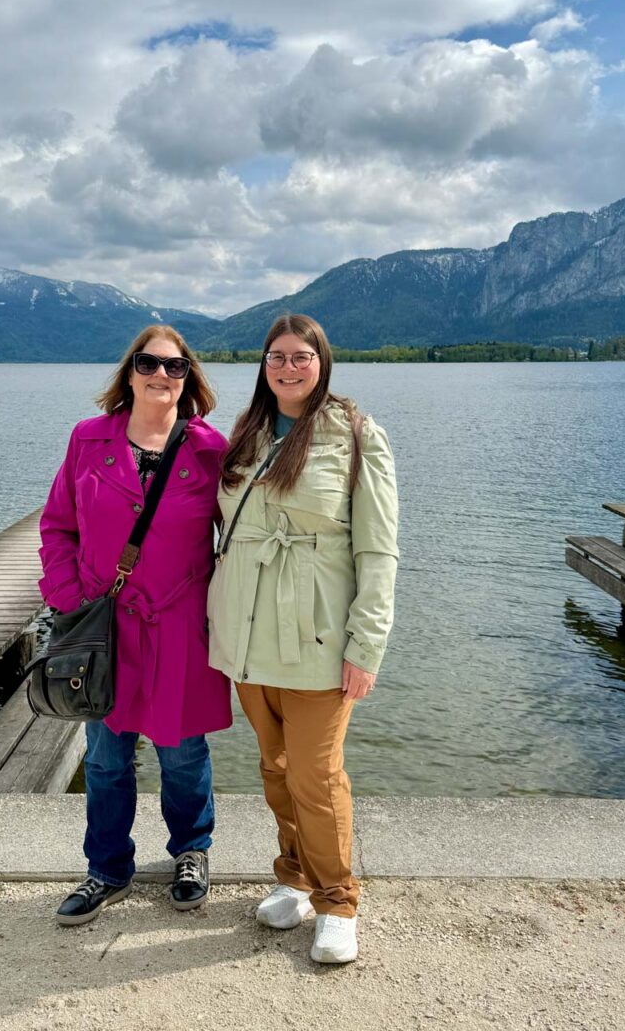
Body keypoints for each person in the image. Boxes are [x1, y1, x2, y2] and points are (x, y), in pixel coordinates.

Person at [207, 313, 398, 964]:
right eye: (277, 357)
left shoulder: (358, 436)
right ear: (264, 366)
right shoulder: (248, 434)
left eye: (301, 357)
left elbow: (378, 554)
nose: (288, 368)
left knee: (317, 774)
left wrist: (365, 647)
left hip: (317, 638)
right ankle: (293, 876)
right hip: (249, 635)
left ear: (323, 363)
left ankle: (338, 900)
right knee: (276, 769)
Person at [38, 325, 232, 926]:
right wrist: (71, 600)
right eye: (148, 363)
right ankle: (106, 868)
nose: (160, 375)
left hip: (178, 626)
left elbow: (246, 534)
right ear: (129, 372)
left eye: (174, 367)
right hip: (106, 626)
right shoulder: (88, 439)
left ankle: (191, 853)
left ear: (188, 378)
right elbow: (57, 525)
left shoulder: (210, 449)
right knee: (105, 754)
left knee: (181, 752)